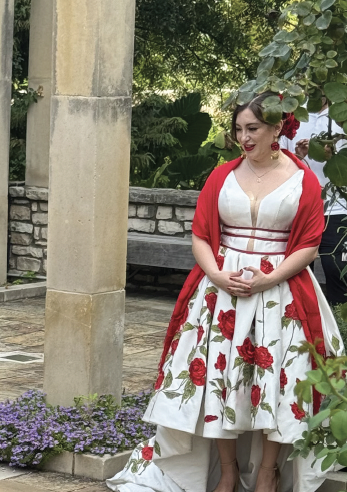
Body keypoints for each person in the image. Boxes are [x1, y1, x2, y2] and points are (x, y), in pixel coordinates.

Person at [107, 92, 345, 492]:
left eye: (252, 128)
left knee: (279, 380)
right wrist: (216, 274)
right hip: (221, 292)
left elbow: (308, 243)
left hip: (280, 292)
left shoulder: (303, 179)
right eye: (238, 129)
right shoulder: (221, 175)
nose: (244, 137)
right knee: (217, 377)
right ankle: (228, 471)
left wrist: (270, 279)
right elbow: (200, 233)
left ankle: (269, 472)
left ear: (276, 129)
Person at [280, 103, 347, 306]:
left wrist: (332, 154)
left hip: (339, 209)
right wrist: (298, 157)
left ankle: (340, 330)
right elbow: (277, 163)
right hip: (299, 210)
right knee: (296, 273)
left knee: (338, 270)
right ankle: (301, 329)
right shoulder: (292, 116)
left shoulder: (342, 111)